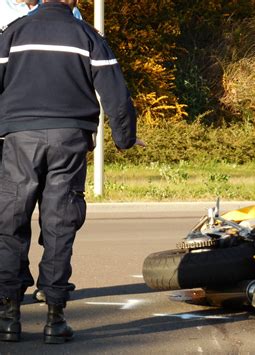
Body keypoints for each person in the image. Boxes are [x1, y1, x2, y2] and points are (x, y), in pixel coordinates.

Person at [0, 0, 143, 344]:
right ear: (75, 1)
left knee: (10, 220)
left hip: (19, 137)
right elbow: (116, 93)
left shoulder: (13, 34)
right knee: (60, 221)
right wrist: (125, 139)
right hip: (70, 137)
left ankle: (8, 316)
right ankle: (55, 316)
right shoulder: (87, 35)